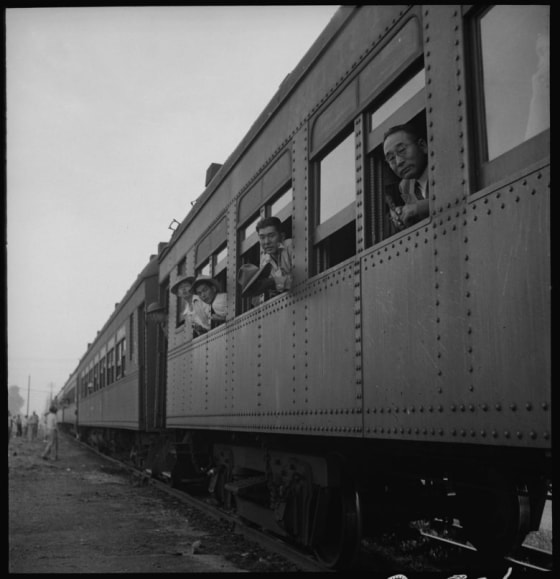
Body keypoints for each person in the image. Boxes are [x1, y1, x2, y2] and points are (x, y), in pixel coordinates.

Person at [383, 123, 429, 230]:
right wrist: (402, 216)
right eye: (391, 158)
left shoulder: (442, 165)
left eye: (402, 150)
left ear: (423, 146)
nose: (398, 162)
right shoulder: (405, 186)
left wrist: (418, 208)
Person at [237, 216, 293, 301]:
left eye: (271, 236)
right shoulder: (264, 260)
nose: (266, 242)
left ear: (282, 236)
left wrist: (272, 282)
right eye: (262, 237)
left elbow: (300, 278)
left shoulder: (290, 246)